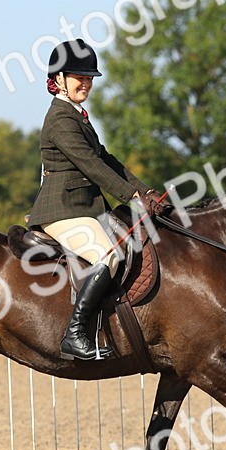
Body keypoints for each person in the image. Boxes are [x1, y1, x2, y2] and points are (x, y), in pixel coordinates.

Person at [28, 39, 166, 361]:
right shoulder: (60, 119)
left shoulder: (77, 116)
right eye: (79, 77)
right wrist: (130, 196)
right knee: (109, 255)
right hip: (62, 210)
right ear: (59, 79)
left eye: (89, 78)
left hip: (85, 209)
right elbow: (90, 165)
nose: (86, 84)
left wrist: (146, 192)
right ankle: (74, 335)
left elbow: (106, 159)